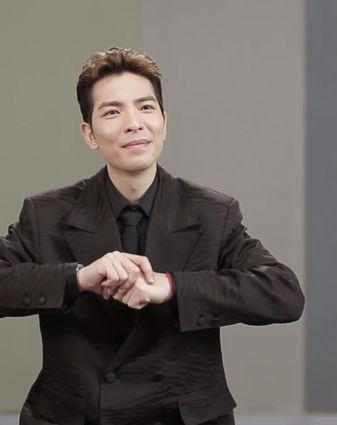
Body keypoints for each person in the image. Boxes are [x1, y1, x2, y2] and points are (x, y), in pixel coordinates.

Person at [0, 47, 304, 425]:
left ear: (164, 121)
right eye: (112, 112)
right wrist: (77, 277)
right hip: (75, 415)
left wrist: (173, 286)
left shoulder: (213, 212)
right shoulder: (47, 214)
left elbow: (284, 293)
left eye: (146, 107)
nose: (134, 123)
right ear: (89, 133)